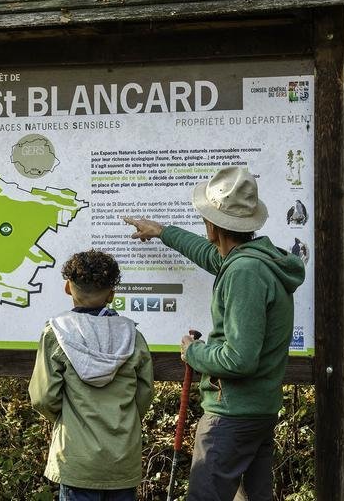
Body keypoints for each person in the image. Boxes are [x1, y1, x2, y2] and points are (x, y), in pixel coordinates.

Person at [123, 166, 305, 501]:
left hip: (231, 416)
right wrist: (162, 231)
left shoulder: (244, 272)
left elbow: (239, 359)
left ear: (212, 225)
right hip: (257, 412)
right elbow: (211, 255)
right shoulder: (255, 261)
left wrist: (193, 351)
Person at [29, 249, 154, 501]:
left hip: (76, 457)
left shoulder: (57, 333)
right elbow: (144, 393)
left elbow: (43, 397)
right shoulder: (132, 336)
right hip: (122, 456)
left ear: (67, 287)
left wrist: (67, 418)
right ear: (111, 294)